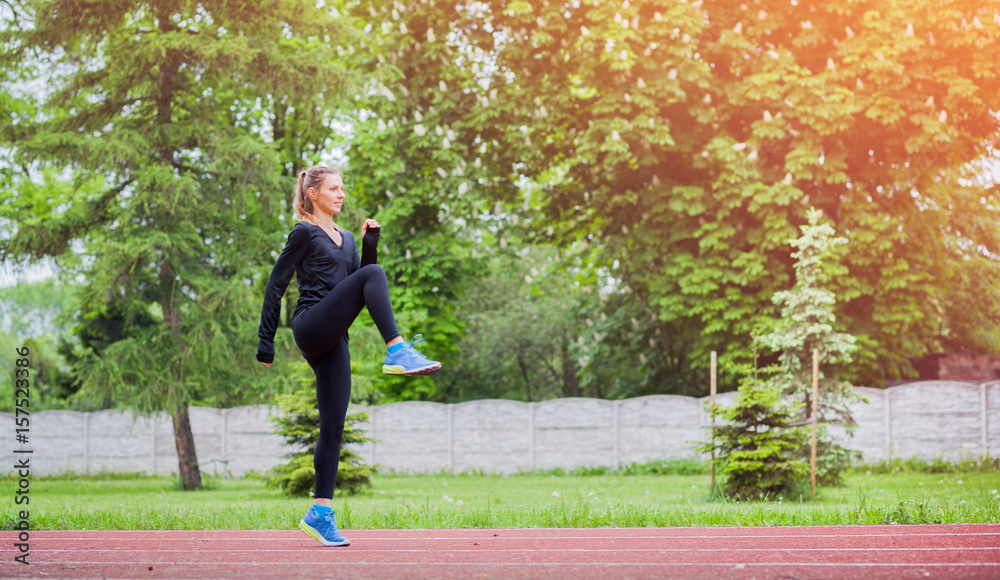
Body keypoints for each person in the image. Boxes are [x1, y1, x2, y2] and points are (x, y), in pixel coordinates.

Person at [256, 165, 440, 547]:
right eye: (334, 189)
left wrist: (369, 243)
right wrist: (266, 341)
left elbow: (359, 283)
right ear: (313, 194)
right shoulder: (303, 232)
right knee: (377, 276)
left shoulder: (347, 240)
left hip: (334, 335)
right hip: (310, 324)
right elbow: (276, 285)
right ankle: (397, 350)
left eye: (343, 188)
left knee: (333, 424)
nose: (341, 194)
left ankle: (319, 512)